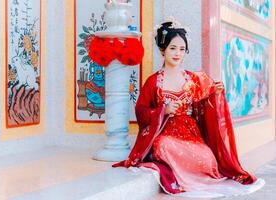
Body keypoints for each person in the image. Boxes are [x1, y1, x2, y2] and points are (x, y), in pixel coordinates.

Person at [113, 19, 264, 197]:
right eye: (173, 48)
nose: (177, 53)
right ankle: (179, 172)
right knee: (163, 146)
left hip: (191, 134)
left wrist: (215, 94)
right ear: (163, 50)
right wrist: (164, 110)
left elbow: (204, 106)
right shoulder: (154, 81)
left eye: (182, 49)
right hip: (166, 134)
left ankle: (194, 173)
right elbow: (141, 111)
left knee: (208, 160)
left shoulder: (192, 79)